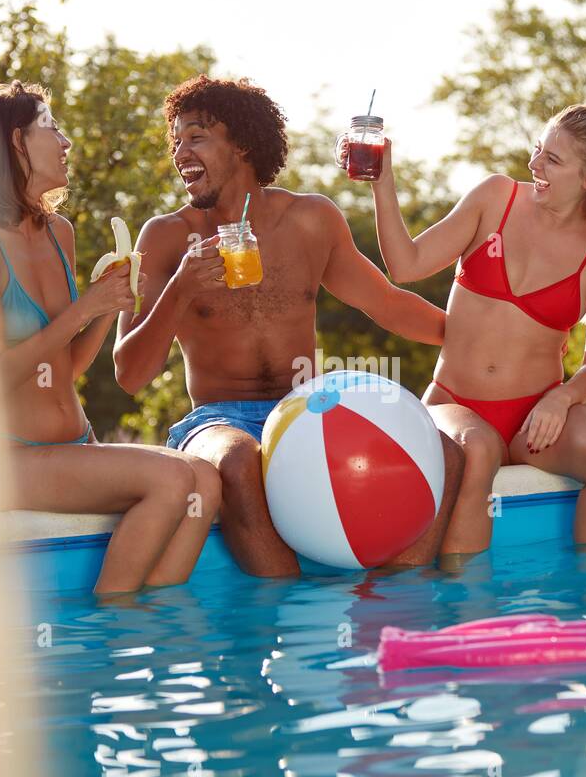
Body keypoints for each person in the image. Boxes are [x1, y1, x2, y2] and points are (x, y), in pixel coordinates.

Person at [113, 75, 464, 577]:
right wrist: (182, 289)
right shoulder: (166, 237)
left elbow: (387, 304)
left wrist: (479, 340)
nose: (179, 152)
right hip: (217, 421)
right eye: (176, 140)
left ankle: (397, 595)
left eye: (195, 136)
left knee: (444, 452)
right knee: (238, 461)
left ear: (243, 144)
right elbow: (129, 373)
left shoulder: (311, 220)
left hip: (309, 408)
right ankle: (286, 622)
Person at [0, 80, 220, 593]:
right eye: (52, 128)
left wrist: (106, 306)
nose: (66, 142)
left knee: (205, 479)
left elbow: (67, 368)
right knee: (170, 481)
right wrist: (84, 309)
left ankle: (152, 620)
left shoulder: (60, 233)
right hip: (9, 458)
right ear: (15, 142)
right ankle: (116, 623)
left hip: (75, 442)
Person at [366, 105, 586, 559]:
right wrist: (382, 182)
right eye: (538, 150)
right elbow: (407, 265)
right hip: (454, 404)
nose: (535, 164)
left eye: (553, 160)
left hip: (535, 421)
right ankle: (466, 613)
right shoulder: (494, 199)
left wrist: (560, 399)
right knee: (477, 450)